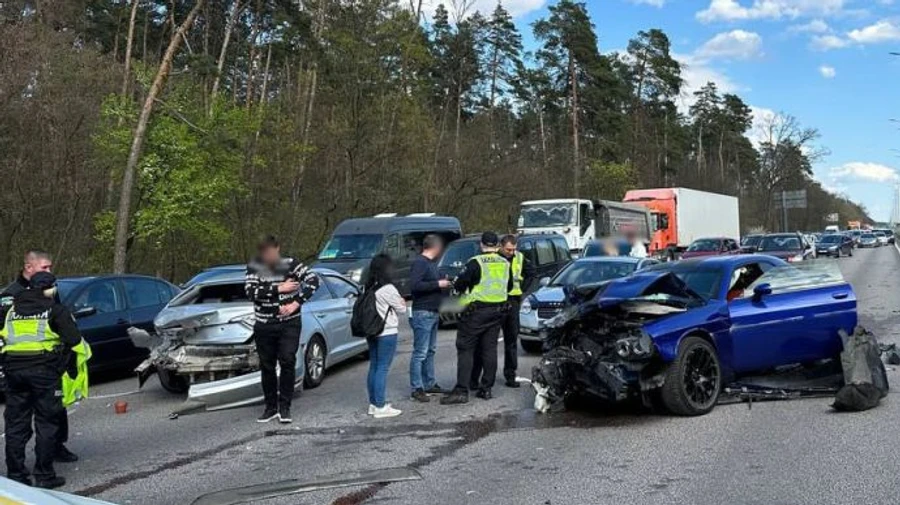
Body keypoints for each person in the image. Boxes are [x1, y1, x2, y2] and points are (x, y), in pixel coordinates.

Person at [0, 272, 82, 489]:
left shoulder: (10, 310)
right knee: (47, 423)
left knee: (16, 425)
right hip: (44, 373)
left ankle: (17, 476)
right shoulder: (54, 310)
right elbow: (74, 339)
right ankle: (44, 476)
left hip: (14, 372)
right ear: (51, 289)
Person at [245, 235, 320, 424]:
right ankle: (270, 407)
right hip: (264, 324)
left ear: (277, 249)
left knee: (287, 360)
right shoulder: (255, 266)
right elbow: (251, 292)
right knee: (267, 365)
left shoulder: (291, 264)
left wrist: (297, 302)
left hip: (289, 323)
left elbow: (313, 280)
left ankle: (285, 407)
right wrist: (279, 288)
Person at [441, 232, 512, 405]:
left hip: (476, 312)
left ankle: (461, 390)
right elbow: (509, 286)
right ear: (497, 246)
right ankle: (486, 388)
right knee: (489, 350)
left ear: (481, 245)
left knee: (465, 349)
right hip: (497, 311)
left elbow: (459, 284)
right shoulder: (505, 263)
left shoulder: (476, 262)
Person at [408, 234, 451, 403]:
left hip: (433, 311)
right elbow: (415, 285)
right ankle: (416, 387)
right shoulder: (420, 263)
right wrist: (437, 284)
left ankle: (429, 382)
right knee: (420, 352)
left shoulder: (431, 264)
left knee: (430, 350)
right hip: (423, 312)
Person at [364, 254, 407, 418]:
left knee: (374, 366)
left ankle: (374, 403)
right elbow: (402, 309)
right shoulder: (388, 289)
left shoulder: (369, 287)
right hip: (386, 331)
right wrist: (401, 302)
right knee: (383, 367)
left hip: (372, 330)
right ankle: (381, 406)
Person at [497, 234, 535, 388]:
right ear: (501, 246)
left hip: (513, 301)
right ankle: (482, 377)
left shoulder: (519, 257)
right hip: (495, 301)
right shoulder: (494, 258)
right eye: (508, 249)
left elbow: (531, 273)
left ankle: (510, 374)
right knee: (487, 342)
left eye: (513, 249)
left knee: (511, 340)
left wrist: (523, 290)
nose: (511, 252)